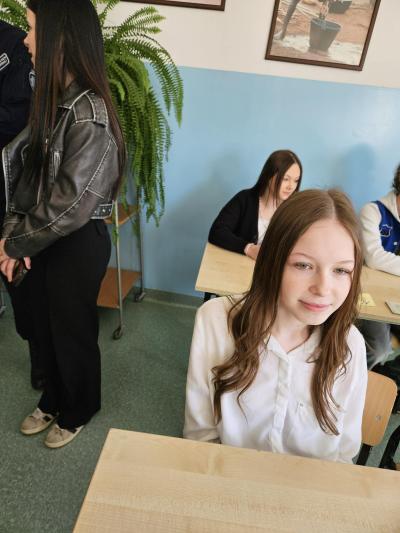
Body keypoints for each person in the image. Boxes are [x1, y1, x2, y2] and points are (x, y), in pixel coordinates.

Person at [0, 0, 125, 448]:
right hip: (42, 235)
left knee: (71, 331)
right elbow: (26, 176)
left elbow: (69, 205)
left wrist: (16, 244)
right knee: (43, 324)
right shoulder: (54, 102)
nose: (25, 40)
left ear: (61, 38)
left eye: (33, 29)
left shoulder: (89, 114)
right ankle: (52, 397)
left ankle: (79, 408)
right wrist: (13, 235)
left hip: (76, 240)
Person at [184, 189, 368, 464]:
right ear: (272, 260)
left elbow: (344, 454)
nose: (323, 288)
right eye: (303, 265)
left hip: (313, 486)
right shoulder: (216, 321)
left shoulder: (350, 344)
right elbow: (200, 438)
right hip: (229, 479)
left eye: (341, 270)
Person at [0, 19, 44, 389]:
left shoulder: (14, 44)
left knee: (19, 283)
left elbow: (17, 118)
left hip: (7, 191)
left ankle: (42, 364)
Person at [208, 150, 302, 261]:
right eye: (285, 179)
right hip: (234, 266)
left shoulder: (294, 210)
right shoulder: (244, 199)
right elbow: (217, 232)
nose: (291, 186)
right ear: (269, 176)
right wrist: (248, 248)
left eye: (296, 181)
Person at [358, 165, 400, 368]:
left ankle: (389, 377)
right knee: (379, 350)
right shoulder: (373, 211)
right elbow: (373, 258)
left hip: (396, 297)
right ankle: (352, 378)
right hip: (369, 297)